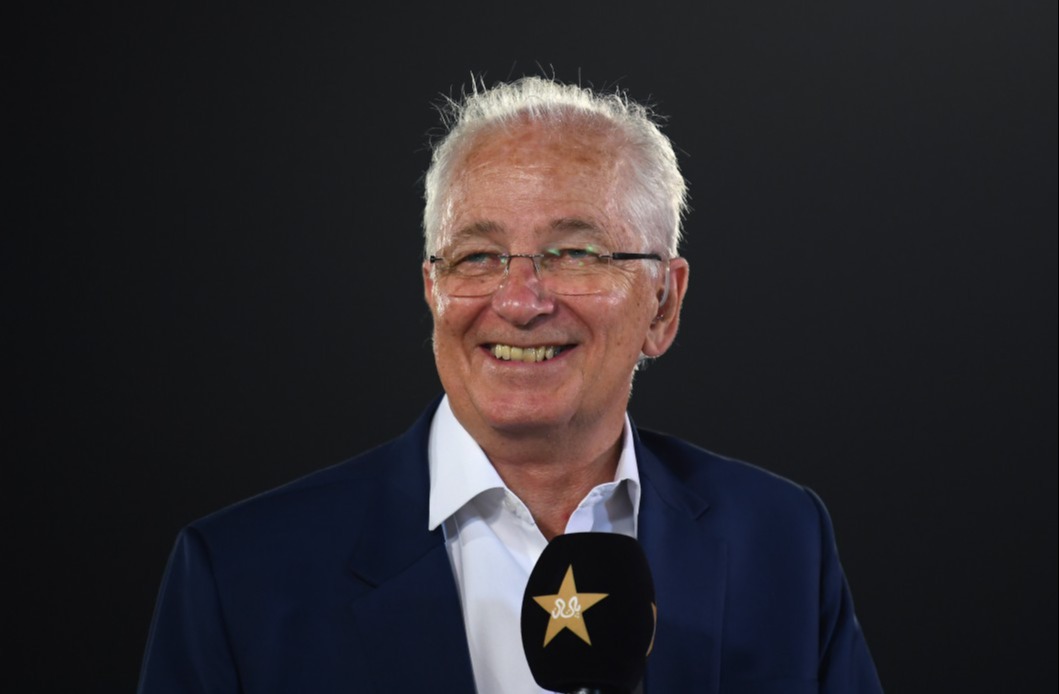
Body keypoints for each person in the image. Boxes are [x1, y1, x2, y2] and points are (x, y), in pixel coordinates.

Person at [138, 76, 883, 693]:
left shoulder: (779, 540)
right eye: (476, 257)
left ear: (664, 303)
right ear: (432, 290)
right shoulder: (239, 579)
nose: (521, 302)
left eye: (575, 252)